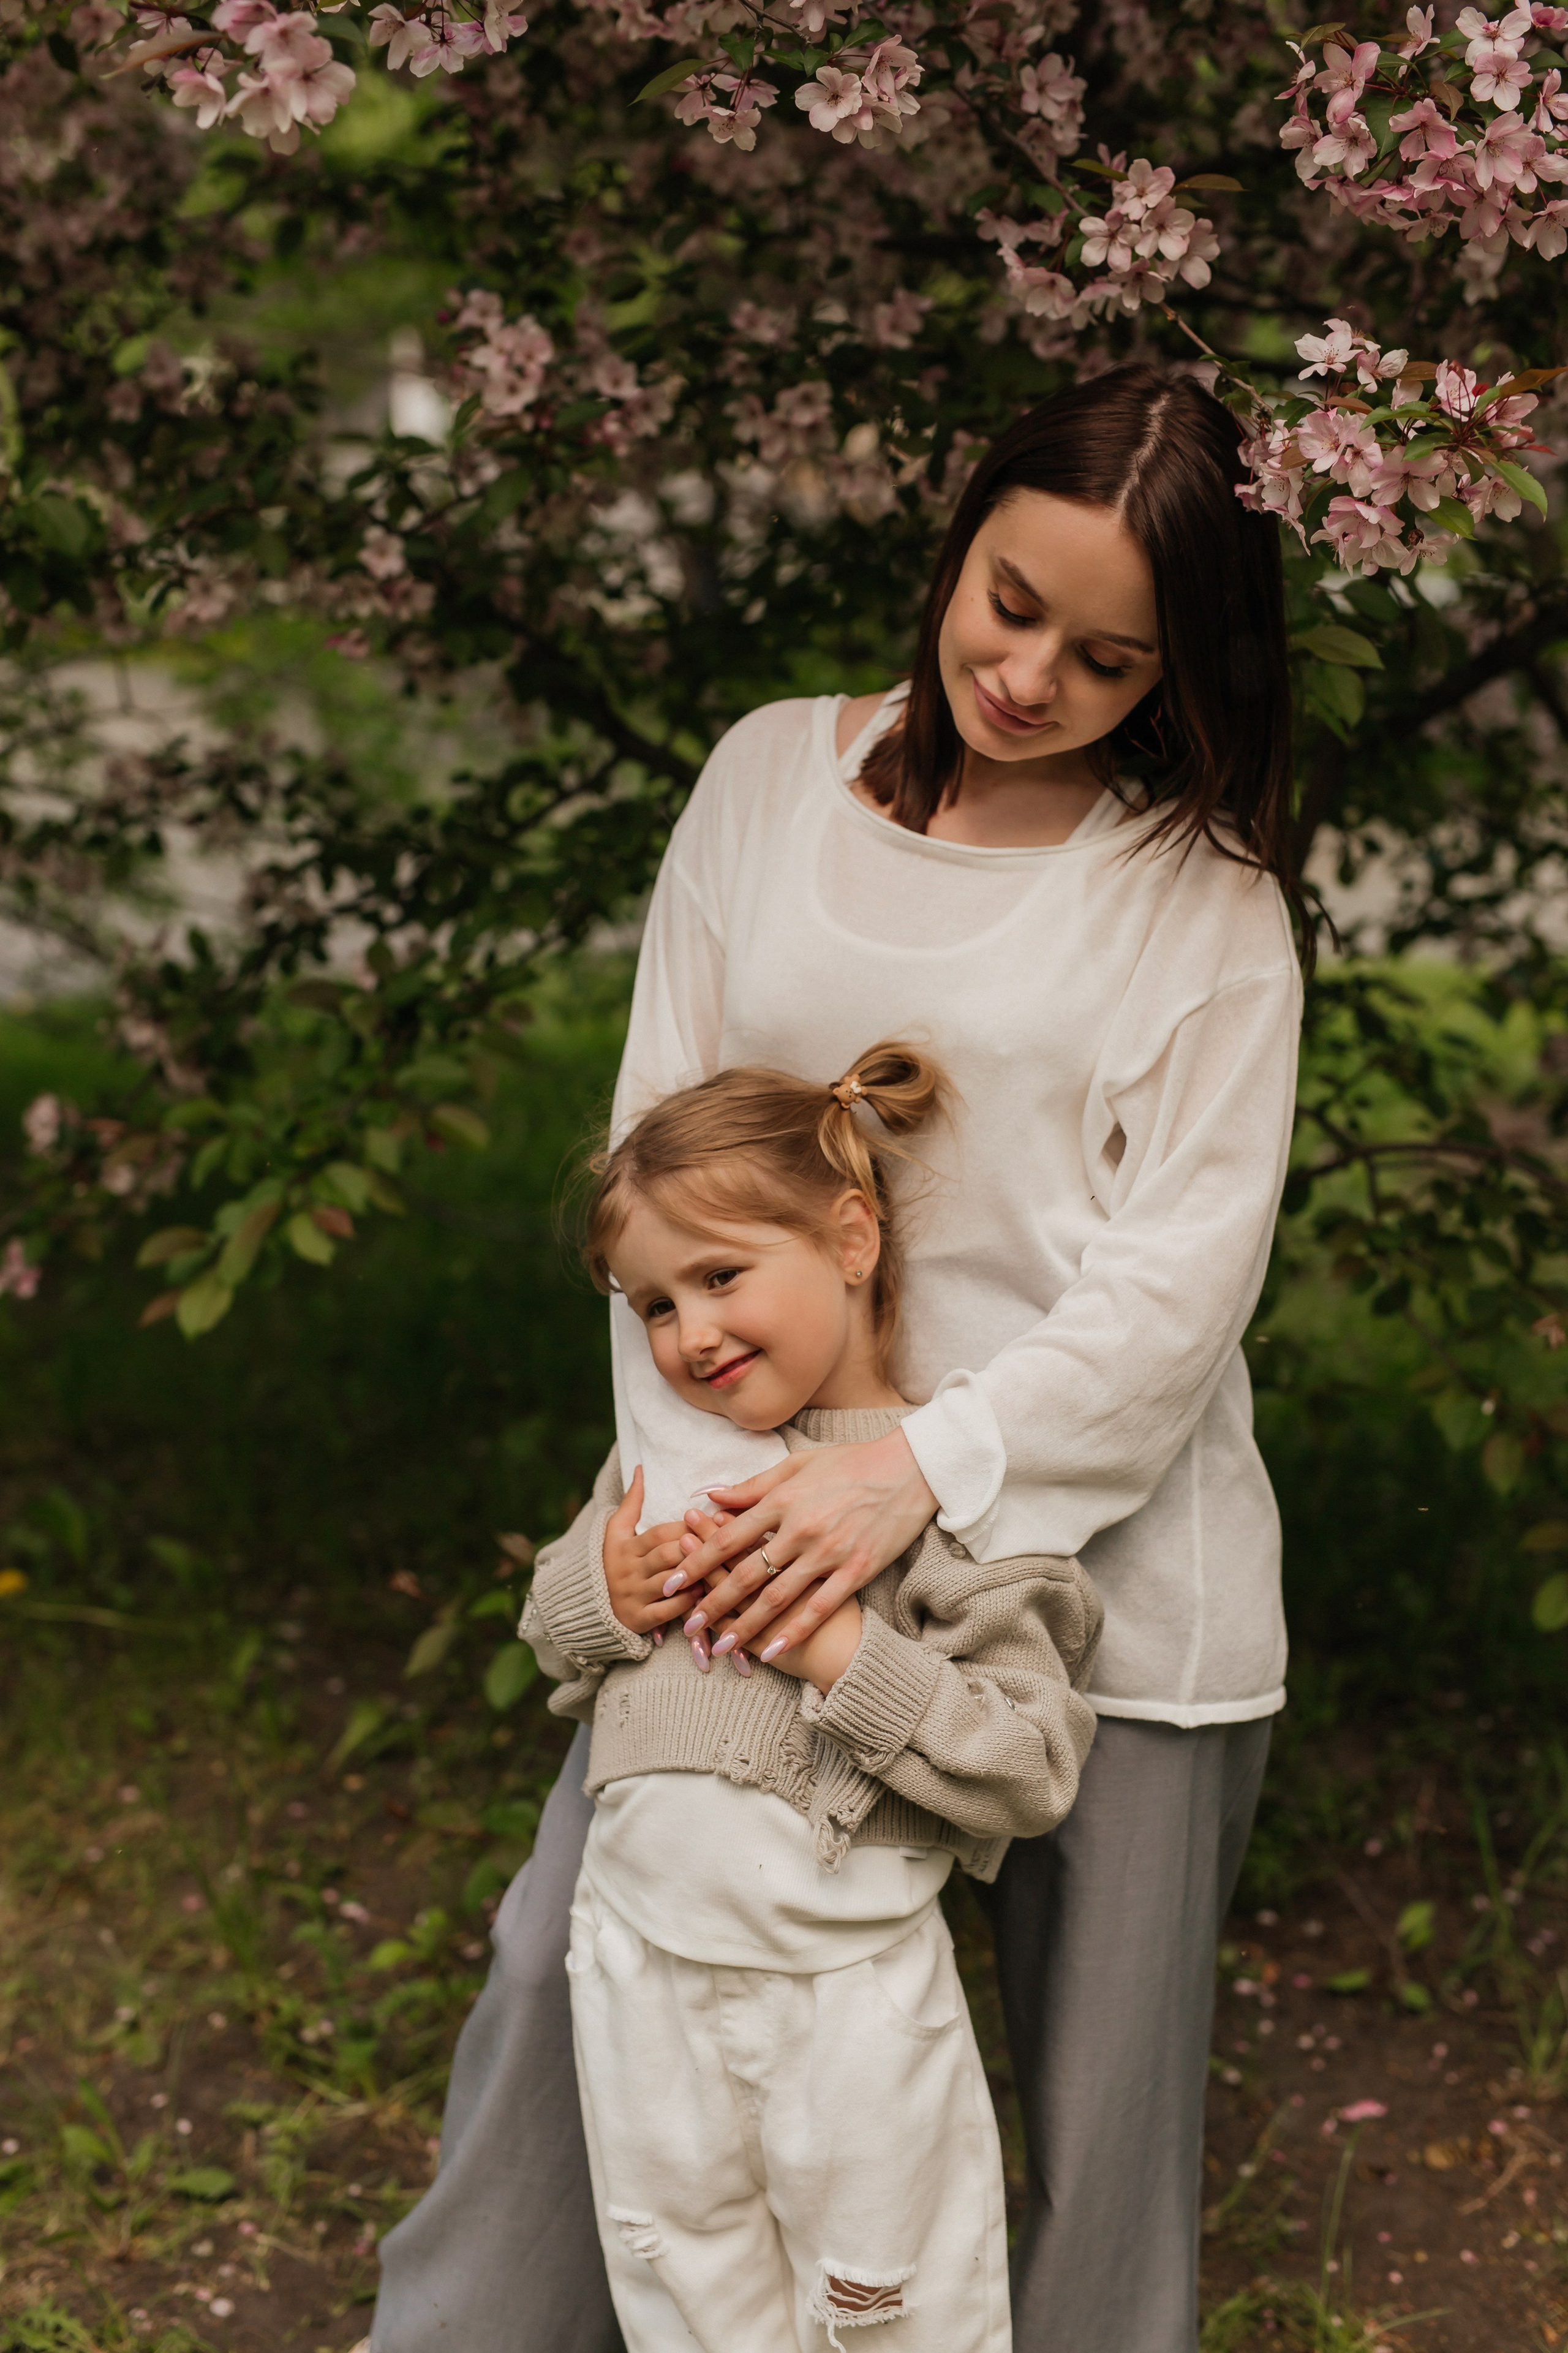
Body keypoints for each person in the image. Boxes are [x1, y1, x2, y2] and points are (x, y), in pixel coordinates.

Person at [371, 361, 1303, 2353]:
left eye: (1110, 654)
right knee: (577, 1973)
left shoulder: (1204, 911)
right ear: (958, 545)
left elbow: (1173, 1297)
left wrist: (912, 1474)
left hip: (1116, 1588)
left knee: (1094, 2146)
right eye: (1010, 600)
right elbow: (656, 1173)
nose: (1034, 673)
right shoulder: (768, 780)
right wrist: (711, 1523)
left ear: (1185, 665)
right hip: (744, 1554)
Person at [518, 1041, 1101, 2353]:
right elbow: (556, 1644)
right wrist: (602, 1589)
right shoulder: (664, 1462)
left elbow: (1028, 1762)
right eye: (653, 1305)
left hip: (840, 1997)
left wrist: (845, 1653)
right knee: (683, 2291)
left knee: (884, 2309)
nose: (690, 1335)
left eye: (719, 1276)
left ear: (849, 1237)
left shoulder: (944, 1494)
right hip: (640, 1965)